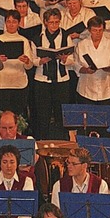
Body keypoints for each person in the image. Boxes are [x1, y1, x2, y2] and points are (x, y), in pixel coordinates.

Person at [51, 147, 110, 218]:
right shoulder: (59, 185)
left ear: (84, 166)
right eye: (68, 162)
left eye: (73, 164)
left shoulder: (100, 184)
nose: (69, 166)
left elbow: (103, 217)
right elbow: (55, 212)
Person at [31, 8, 73, 140]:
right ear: (45, 22)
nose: (54, 25)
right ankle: (43, 141)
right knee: (43, 114)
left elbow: (72, 58)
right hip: (42, 80)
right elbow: (33, 58)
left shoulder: (66, 36)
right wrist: (40, 61)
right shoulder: (37, 38)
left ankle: (61, 141)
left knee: (61, 113)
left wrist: (65, 59)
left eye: (57, 22)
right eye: (51, 22)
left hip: (61, 80)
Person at [0, 9, 34, 115]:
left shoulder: (24, 40)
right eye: (8, 21)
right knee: (1, 115)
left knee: (18, 116)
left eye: (14, 21)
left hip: (18, 83)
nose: (11, 24)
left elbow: (29, 66)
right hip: (1, 84)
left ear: (19, 23)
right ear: (5, 23)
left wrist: (26, 61)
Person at [72, 16, 110, 105]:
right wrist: (85, 70)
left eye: (100, 30)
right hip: (86, 89)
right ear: (89, 30)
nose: (98, 33)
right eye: (95, 30)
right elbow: (76, 63)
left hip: (107, 89)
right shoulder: (81, 45)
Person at [60, 0, 94, 100]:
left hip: (83, 52)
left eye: (75, 3)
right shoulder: (62, 14)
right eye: (69, 4)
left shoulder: (88, 13)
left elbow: (94, 32)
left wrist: (79, 35)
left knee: (82, 90)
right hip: (68, 54)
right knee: (69, 90)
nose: (72, 6)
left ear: (80, 1)